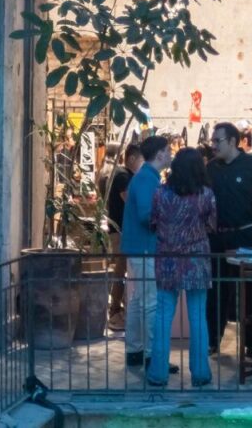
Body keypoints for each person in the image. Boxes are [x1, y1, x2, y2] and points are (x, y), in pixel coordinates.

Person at [146, 148, 217, 388]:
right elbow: (211, 224)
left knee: (163, 315)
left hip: (167, 260)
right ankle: (200, 373)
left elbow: (153, 222)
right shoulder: (206, 195)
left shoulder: (160, 193)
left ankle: (158, 373)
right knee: (198, 316)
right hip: (197, 261)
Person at [206, 122, 252, 356]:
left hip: (247, 237)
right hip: (218, 238)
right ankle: (212, 340)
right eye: (212, 141)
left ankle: (251, 343)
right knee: (216, 291)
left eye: (218, 141)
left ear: (233, 142)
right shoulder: (211, 168)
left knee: (248, 291)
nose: (213, 145)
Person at [122, 135, 174, 372]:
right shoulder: (147, 179)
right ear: (160, 153)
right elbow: (146, 215)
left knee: (137, 300)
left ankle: (135, 350)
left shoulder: (144, 176)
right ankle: (153, 355)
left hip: (138, 247)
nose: (171, 154)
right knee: (150, 302)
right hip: (145, 248)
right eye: (168, 150)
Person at [106, 143, 142, 331]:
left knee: (123, 270)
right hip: (120, 232)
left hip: (122, 231)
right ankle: (115, 312)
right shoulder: (122, 175)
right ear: (132, 158)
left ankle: (118, 310)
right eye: (142, 160)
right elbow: (130, 200)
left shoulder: (124, 175)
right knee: (121, 270)